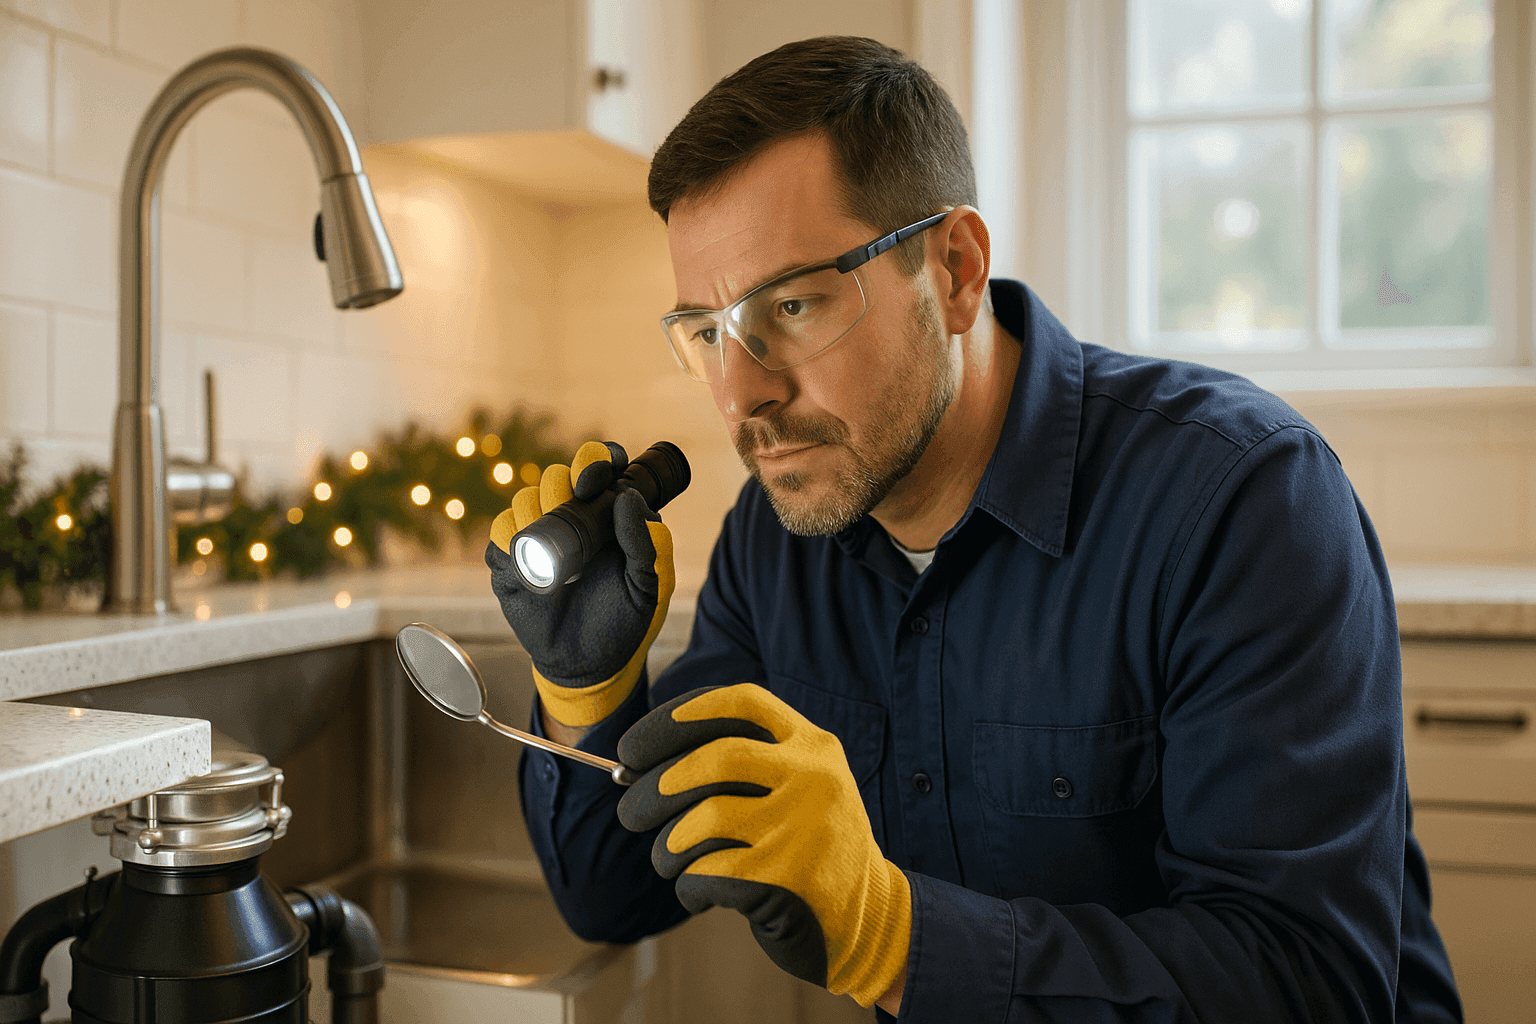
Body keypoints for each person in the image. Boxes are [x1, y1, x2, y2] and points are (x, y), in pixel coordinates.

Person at [485, 35, 1462, 1022]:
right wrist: (585, 695)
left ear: (954, 269)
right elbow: (613, 893)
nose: (743, 396)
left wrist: (893, 937)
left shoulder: (1242, 501)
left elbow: (1313, 988)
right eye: (708, 330)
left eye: (791, 303)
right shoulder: (777, 537)